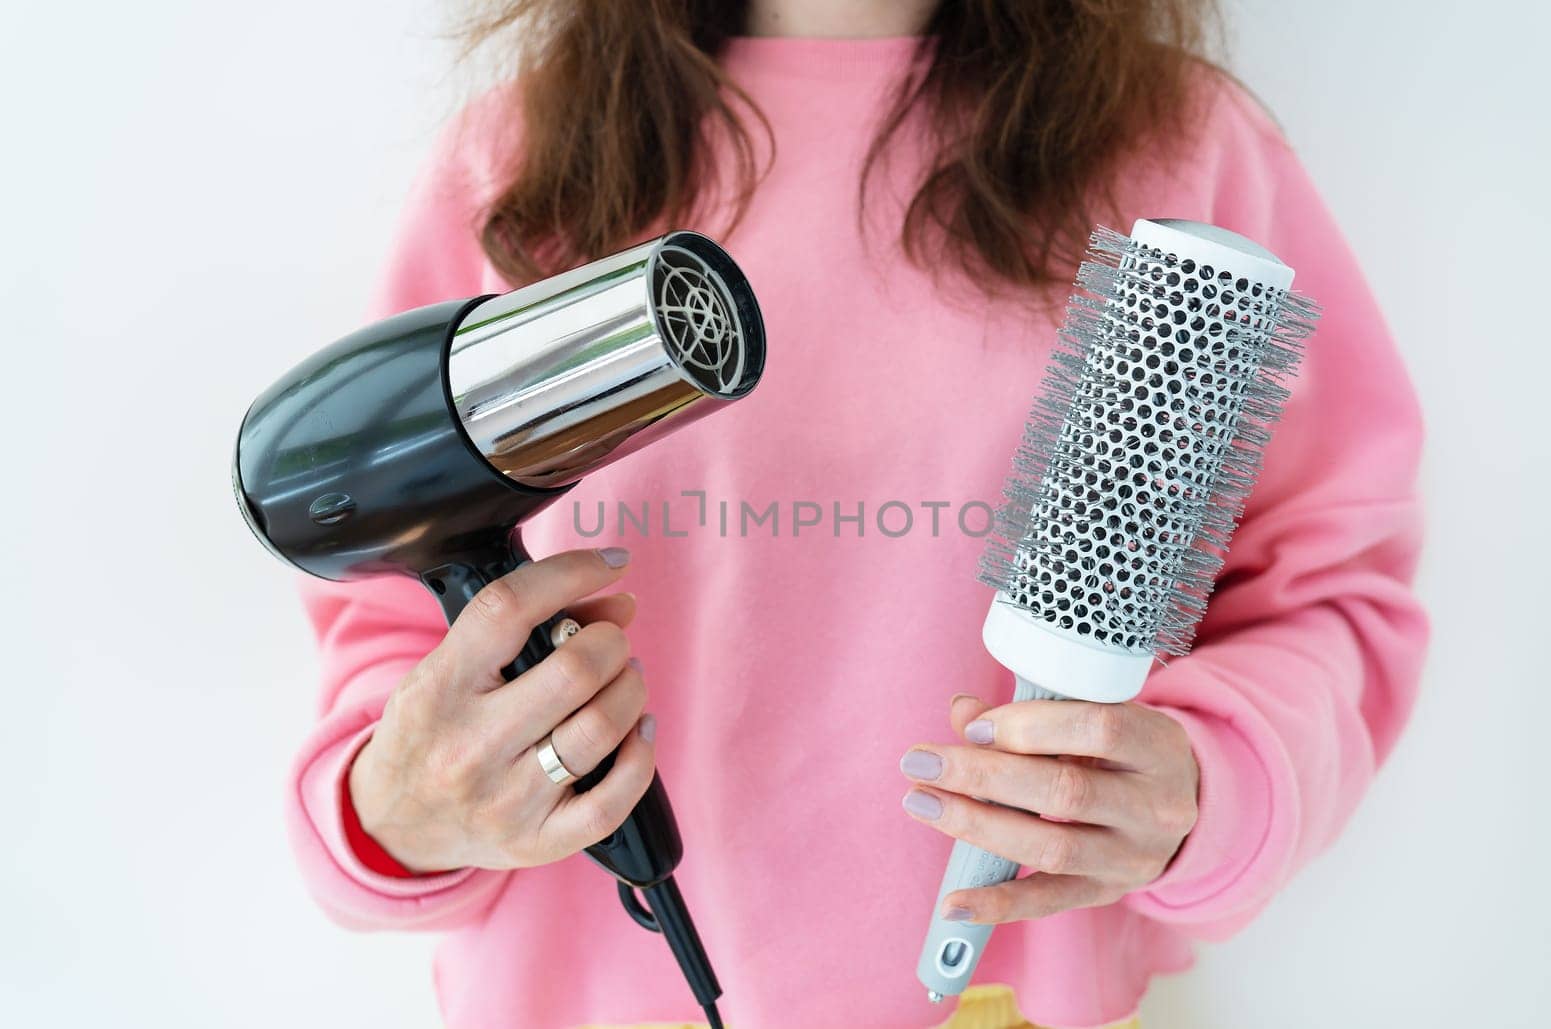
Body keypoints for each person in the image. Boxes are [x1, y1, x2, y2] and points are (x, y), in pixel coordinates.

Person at [285, 2, 1428, 1026]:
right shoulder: (522, 161)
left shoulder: (1177, 147)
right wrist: (395, 811)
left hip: (1008, 1004)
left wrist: (1204, 787)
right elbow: (389, 623)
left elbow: (1327, 592)